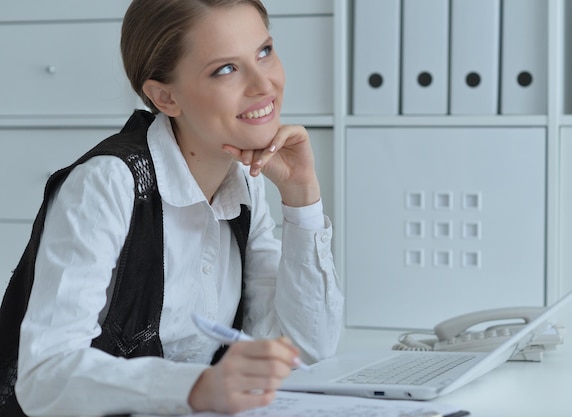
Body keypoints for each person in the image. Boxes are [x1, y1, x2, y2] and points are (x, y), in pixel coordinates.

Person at [0, 0, 344, 415]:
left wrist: (302, 195)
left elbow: (306, 347)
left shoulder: (244, 186)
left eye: (264, 52)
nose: (263, 85)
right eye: (226, 69)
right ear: (165, 97)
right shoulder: (108, 184)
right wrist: (198, 387)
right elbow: (45, 375)